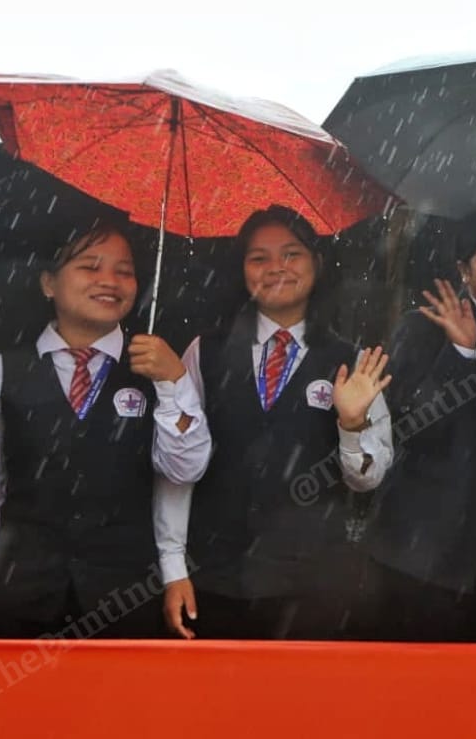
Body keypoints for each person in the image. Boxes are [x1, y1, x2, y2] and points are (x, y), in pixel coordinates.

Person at [153, 205, 394, 640]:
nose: (276, 268)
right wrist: (173, 568)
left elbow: (368, 478)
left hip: (312, 580)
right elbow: (176, 469)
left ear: (317, 265)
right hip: (215, 573)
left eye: (291, 254)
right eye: (258, 258)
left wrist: (352, 423)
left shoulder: (352, 361)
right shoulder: (204, 351)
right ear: (242, 269)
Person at [0, 224, 188, 638]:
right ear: (48, 283)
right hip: (17, 595)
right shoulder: (2, 374)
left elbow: (182, 472)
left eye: (124, 271)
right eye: (90, 266)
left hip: (124, 599)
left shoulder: (158, 368)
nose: (109, 281)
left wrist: (173, 383)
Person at [361, 208, 476, 641]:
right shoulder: (422, 327)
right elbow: (415, 426)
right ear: (463, 270)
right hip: (421, 550)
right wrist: (462, 353)